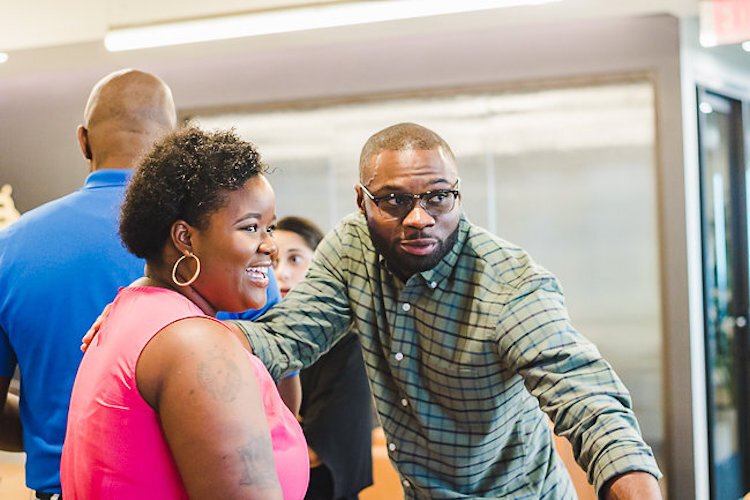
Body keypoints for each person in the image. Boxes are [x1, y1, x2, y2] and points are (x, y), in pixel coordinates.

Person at [229, 122, 663, 499]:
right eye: (394, 200)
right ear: (362, 202)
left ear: (458, 195)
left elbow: (590, 402)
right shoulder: (351, 248)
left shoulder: (509, 286)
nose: (419, 217)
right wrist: (183, 333)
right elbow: (285, 338)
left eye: (438, 197)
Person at [61, 127, 309, 499]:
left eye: (269, 227)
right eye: (251, 227)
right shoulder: (194, 344)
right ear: (185, 238)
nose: (270, 246)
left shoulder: (134, 310)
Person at [0, 69, 178, 499]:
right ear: (173, 145)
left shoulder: (9, 247)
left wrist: (64, 431)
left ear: (83, 140)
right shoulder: (223, 241)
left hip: (67, 488)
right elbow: (278, 397)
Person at [274, 216, 373, 500]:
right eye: (273, 261)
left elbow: (317, 450)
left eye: (295, 260)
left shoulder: (345, 344)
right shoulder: (257, 338)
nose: (281, 273)